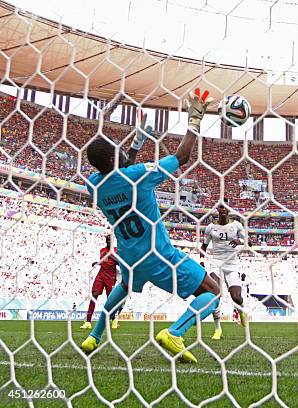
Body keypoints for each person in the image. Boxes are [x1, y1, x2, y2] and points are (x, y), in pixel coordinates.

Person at [81, 88, 220, 364]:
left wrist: (136, 144)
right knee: (213, 291)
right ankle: (174, 333)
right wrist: (194, 120)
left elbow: (118, 174)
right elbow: (181, 156)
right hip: (158, 255)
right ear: (111, 159)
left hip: (130, 257)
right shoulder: (138, 176)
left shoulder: (93, 185)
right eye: (115, 151)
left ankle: (93, 336)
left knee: (122, 289)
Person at [201, 200, 248, 340]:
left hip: (232, 265)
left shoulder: (237, 225)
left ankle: (241, 310)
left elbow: (249, 242)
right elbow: (203, 247)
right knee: (214, 294)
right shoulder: (210, 228)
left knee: (236, 297)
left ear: (228, 209)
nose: (223, 209)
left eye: (225, 207)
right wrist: (202, 262)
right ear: (217, 209)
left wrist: (240, 241)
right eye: (220, 207)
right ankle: (218, 329)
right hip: (216, 263)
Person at [80, 235, 121, 330]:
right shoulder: (102, 250)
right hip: (101, 275)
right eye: (107, 240)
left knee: (110, 299)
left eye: (110, 240)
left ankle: (114, 319)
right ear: (106, 241)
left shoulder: (116, 250)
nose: (109, 242)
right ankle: (88, 322)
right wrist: (97, 263)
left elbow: (119, 263)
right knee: (94, 295)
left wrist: (111, 255)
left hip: (111, 276)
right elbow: (104, 261)